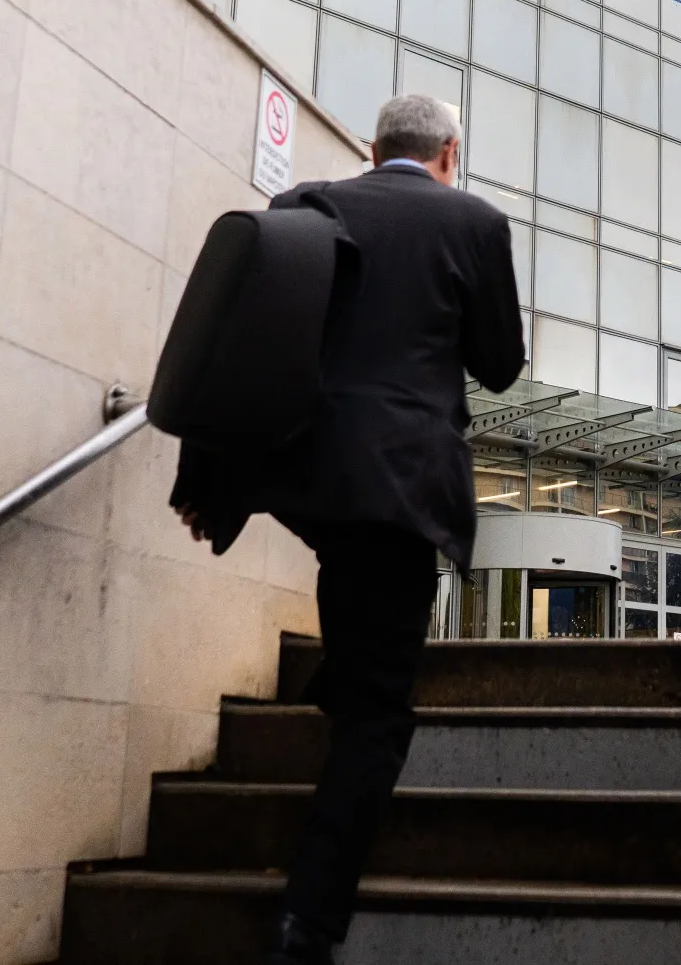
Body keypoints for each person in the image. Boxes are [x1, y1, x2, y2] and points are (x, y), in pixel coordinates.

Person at [172, 93, 525, 965]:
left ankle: (338, 670)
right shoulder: (474, 222)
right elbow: (499, 365)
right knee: (377, 716)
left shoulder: (307, 207)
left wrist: (203, 477)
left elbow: (236, 331)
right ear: (451, 152)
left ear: (374, 149)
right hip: (401, 481)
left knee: (352, 577)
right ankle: (309, 920)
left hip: (308, 470)